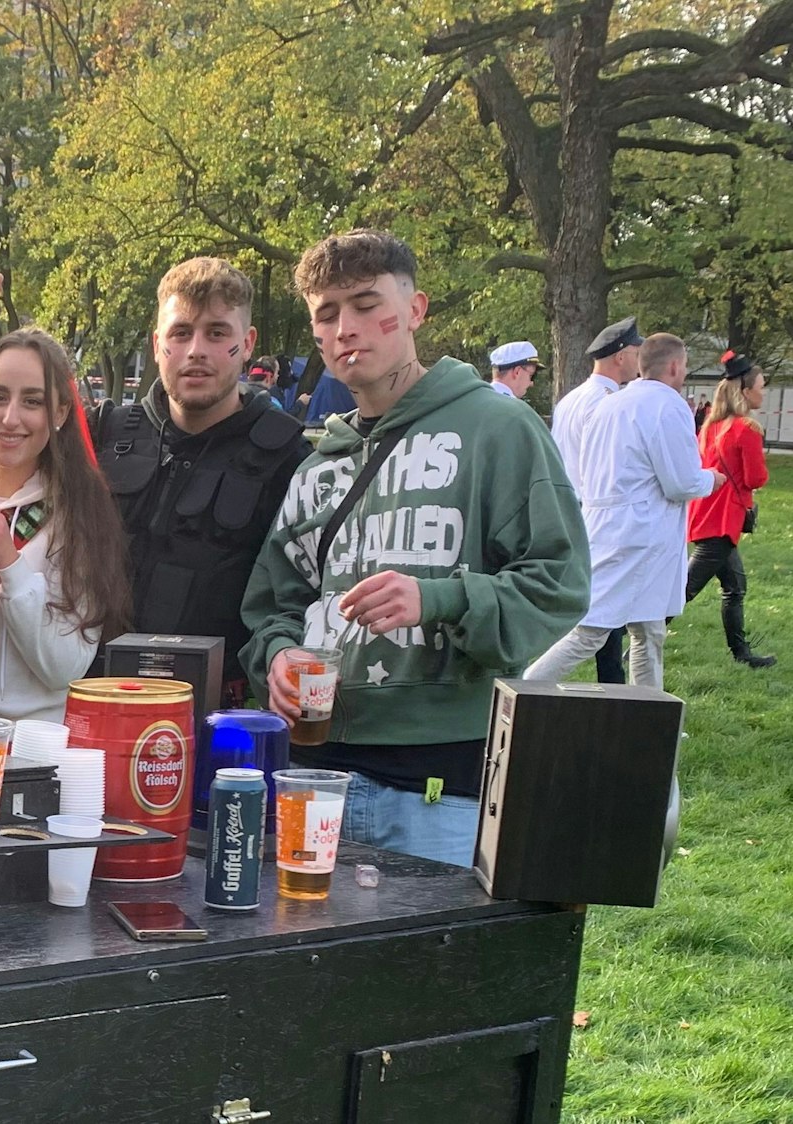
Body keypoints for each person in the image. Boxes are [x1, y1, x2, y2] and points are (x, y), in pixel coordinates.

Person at [242, 229, 588, 867]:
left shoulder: (498, 429)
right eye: (327, 313)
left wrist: (439, 598)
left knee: (436, 968)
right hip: (311, 774)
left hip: (439, 786)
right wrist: (280, 655)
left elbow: (559, 582)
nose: (348, 327)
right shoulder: (318, 463)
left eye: (368, 304)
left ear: (416, 310)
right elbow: (274, 600)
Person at [0, 260, 308, 701]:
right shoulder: (105, 434)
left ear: (246, 344)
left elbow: (292, 594)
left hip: (207, 708)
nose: (195, 350)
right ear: (157, 343)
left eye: (216, 333)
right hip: (90, 700)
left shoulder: (285, 457)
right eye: (180, 332)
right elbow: (1, 443)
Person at [0, 328, 133, 722]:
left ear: (59, 413)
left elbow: (65, 667)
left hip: (39, 744)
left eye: (32, 401)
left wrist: (10, 569)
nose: (11, 419)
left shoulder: (79, 510)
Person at [526, 333, 715, 689]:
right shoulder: (666, 405)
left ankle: (649, 715)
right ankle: (523, 689)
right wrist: (711, 479)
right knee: (592, 630)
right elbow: (681, 482)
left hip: (608, 523)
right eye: (685, 365)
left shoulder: (611, 403)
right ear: (674, 366)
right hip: (639, 533)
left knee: (649, 628)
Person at [552, 316, 644, 685]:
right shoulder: (610, 403)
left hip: (572, 510)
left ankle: (613, 685)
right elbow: (607, 467)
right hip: (597, 514)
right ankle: (610, 686)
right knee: (601, 616)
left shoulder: (572, 399)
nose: (639, 361)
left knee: (600, 612)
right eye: (636, 352)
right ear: (620, 356)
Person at [685, 351, 774, 668]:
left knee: (735, 587)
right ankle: (634, 640)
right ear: (746, 390)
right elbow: (756, 478)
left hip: (706, 514)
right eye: (761, 386)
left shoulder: (710, 426)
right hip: (724, 520)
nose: (763, 392)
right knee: (684, 590)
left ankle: (743, 655)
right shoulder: (747, 428)